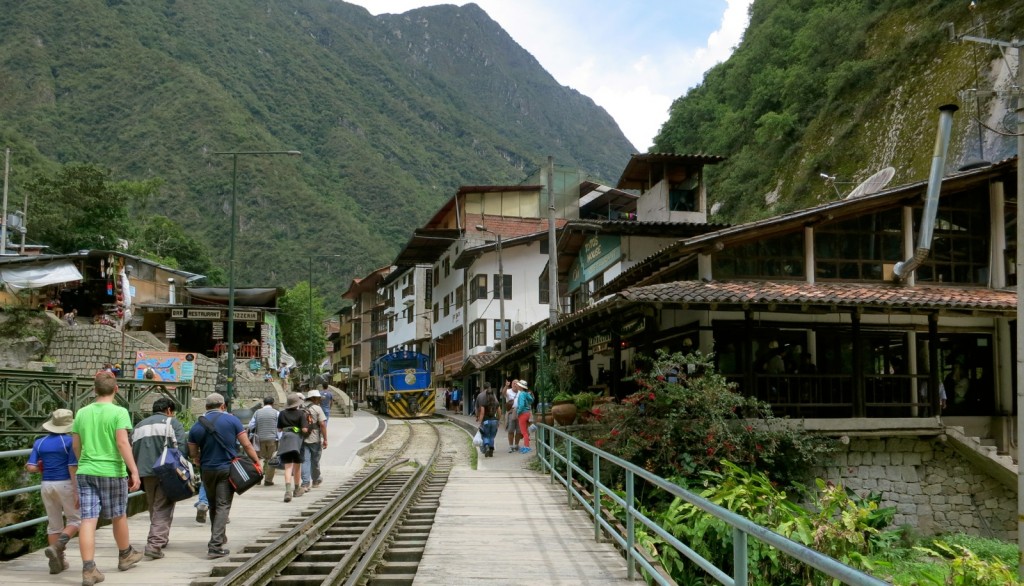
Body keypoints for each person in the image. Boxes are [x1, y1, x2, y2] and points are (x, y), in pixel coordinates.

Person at [72, 371, 144, 586]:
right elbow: (123, 443)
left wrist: (84, 462)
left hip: (86, 470)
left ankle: (88, 568)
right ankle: (125, 555)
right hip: (111, 471)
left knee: (88, 519)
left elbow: (76, 445)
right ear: (116, 389)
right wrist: (134, 471)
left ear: (94, 390)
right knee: (118, 515)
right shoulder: (119, 412)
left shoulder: (82, 412)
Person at [187, 392, 261, 559]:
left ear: (206, 407)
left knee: (213, 504)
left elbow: (192, 453)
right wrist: (256, 462)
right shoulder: (232, 420)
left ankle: (220, 536)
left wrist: (199, 458)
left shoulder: (196, 426)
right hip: (226, 468)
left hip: (207, 470)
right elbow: (246, 444)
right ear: (223, 406)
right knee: (222, 505)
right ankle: (215, 546)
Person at [131, 397, 187, 560]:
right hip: (166, 471)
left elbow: (132, 448)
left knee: (154, 505)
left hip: (145, 472)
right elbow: (181, 448)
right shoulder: (171, 423)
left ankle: (160, 537)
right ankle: (155, 544)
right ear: (169, 410)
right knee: (163, 505)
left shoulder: (139, 426)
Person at [26, 409, 80, 575]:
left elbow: (31, 467)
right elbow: (72, 466)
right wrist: (77, 490)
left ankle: (58, 561)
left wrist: (41, 466)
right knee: (77, 520)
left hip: (46, 485)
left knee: (53, 524)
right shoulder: (70, 442)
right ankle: (57, 546)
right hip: (65, 483)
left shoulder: (39, 442)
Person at [277, 392, 309, 502]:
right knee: (297, 466)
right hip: (297, 442)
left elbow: (279, 429)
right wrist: (300, 429)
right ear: (297, 404)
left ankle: (287, 491)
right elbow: (304, 429)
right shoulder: (301, 414)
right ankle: (296, 489)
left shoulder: (282, 413)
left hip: (285, 441)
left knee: (288, 467)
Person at [300, 390, 328, 491]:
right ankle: (315, 481)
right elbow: (322, 425)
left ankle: (305, 483)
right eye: (319, 398)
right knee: (315, 461)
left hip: (302, 437)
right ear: (314, 398)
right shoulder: (317, 408)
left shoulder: (301, 407)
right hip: (315, 437)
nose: (320, 400)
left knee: (305, 461)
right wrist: (325, 439)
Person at [249, 397, 280, 486]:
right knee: (271, 459)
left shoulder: (257, 412)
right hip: (272, 439)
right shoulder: (276, 413)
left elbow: (251, 425)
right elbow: (279, 427)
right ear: (273, 403)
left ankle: (258, 479)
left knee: (259, 458)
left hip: (259, 439)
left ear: (264, 403)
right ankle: (268, 480)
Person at [475, 386, 500, 457]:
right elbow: (499, 412)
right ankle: (491, 448)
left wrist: (480, 422)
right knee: (492, 436)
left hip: (486, 421)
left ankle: (486, 447)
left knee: (485, 435)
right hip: (494, 421)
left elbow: (482, 413)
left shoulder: (484, 402)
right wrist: (498, 420)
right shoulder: (496, 402)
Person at [514, 380, 535, 454]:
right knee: (526, 431)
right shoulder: (526, 393)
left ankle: (527, 447)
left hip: (522, 414)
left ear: (520, 386)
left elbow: (521, 405)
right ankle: (526, 446)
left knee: (524, 432)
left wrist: (518, 412)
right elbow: (531, 400)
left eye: (518, 385)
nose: (517, 386)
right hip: (528, 413)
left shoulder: (521, 394)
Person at [502, 378, 522, 453]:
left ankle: (516, 445)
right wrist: (506, 386)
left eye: (516, 383)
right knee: (510, 430)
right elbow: (503, 393)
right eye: (514, 383)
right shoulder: (508, 391)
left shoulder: (520, 392)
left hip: (519, 412)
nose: (515, 385)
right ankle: (510, 446)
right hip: (511, 412)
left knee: (519, 431)